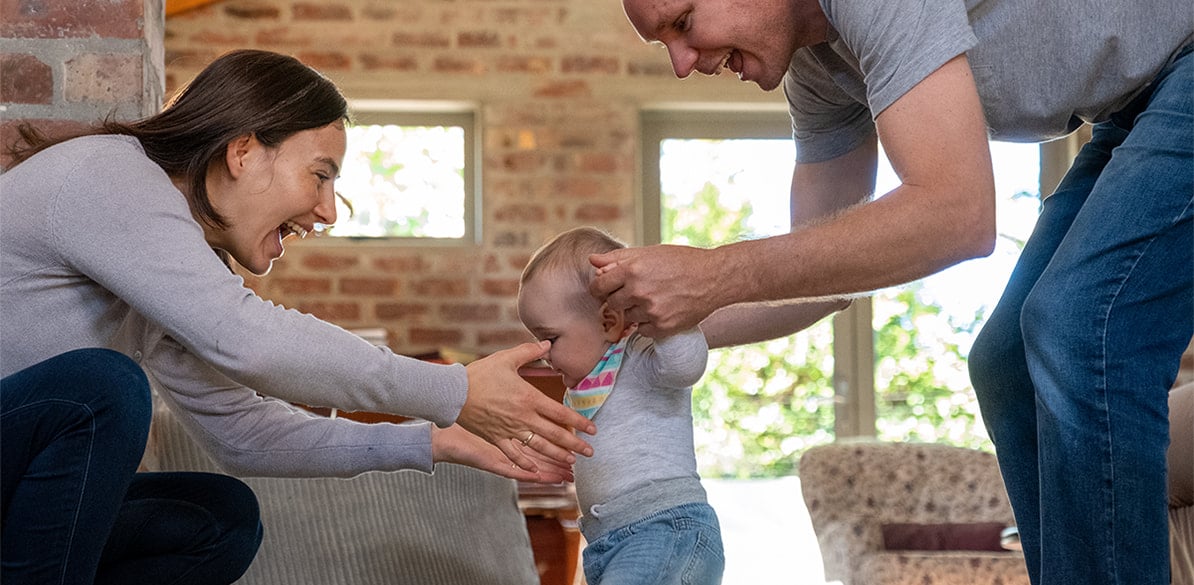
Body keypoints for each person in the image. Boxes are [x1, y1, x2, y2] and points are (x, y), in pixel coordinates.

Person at [594, 1, 1192, 584]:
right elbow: (820, 281)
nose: (680, 61)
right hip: (1136, 105)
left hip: (1183, 65)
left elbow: (957, 213)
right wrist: (633, 326)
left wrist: (713, 273)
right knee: (1005, 364)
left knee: (1079, 327)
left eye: (683, 23)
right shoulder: (820, 68)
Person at [0, 49, 592, 584]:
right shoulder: (112, 177)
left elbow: (245, 436)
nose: (329, 210)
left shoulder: (160, 267)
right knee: (103, 390)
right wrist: (454, 388)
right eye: (320, 174)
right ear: (244, 151)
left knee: (219, 520)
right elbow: (248, 338)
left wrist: (432, 442)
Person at [518, 226, 833, 584]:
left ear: (610, 321)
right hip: (610, 541)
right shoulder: (587, 382)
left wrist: (666, 321)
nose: (541, 353)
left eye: (549, 338)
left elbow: (686, 365)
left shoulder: (641, 354)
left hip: (665, 529)